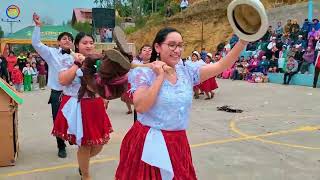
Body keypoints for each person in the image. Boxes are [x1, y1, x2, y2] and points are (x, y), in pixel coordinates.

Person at [115, 27, 248, 179]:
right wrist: (159, 77)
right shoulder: (144, 72)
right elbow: (141, 106)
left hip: (178, 143)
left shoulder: (187, 71)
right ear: (157, 47)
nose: (177, 50)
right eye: (171, 45)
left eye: (180, 45)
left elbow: (220, 66)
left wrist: (242, 42)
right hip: (149, 143)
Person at [52, 32, 115, 180]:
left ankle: (82, 162)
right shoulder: (67, 59)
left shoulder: (99, 60)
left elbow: (103, 83)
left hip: (95, 105)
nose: (89, 45)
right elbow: (63, 81)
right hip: (78, 106)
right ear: (77, 45)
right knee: (85, 144)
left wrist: (104, 97)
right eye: (84, 43)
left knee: (98, 144)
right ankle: (85, 176)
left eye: (91, 42)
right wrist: (78, 64)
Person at [32, 13, 73, 158]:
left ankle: (76, 141)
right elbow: (37, 44)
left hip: (74, 94)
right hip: (58, 94)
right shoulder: (52, 54)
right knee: (58, 121)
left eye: (69, 39)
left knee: (75, 120)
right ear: (59, 42)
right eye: (64, 38)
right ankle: (61, 146)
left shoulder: (77, 56)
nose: (67, 40)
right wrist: (38, 26)